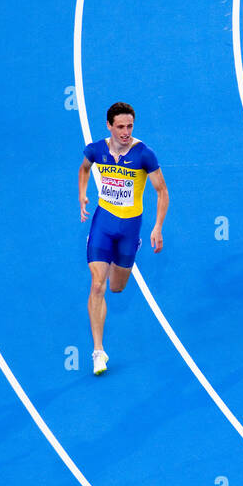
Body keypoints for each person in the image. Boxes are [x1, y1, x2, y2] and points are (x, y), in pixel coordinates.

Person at [78, 102, 168, 374]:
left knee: (117, 287)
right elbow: (84, 169)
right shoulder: (96, 150)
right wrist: (82, 195)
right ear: (109, 125)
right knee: (97, 286)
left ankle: (131, 249)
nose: (126, 131)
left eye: (129, 126)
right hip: (103, 224)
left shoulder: (144, 155)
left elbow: (162, 191)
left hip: (130, 229)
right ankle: (98, 351)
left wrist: (157, 227)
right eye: (120, 126)